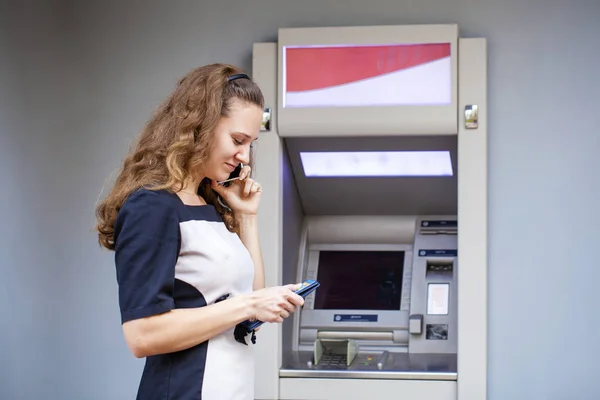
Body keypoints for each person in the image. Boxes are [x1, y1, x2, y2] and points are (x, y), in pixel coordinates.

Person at [95, 63, 305, 400]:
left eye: (251, 143)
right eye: (238, 140)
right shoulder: (151, 207)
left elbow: (250, 301)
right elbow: (142, 335)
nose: (244, 155)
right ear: (200, 126)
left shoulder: (206, 204)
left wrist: (246, 218)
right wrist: (248, 305)